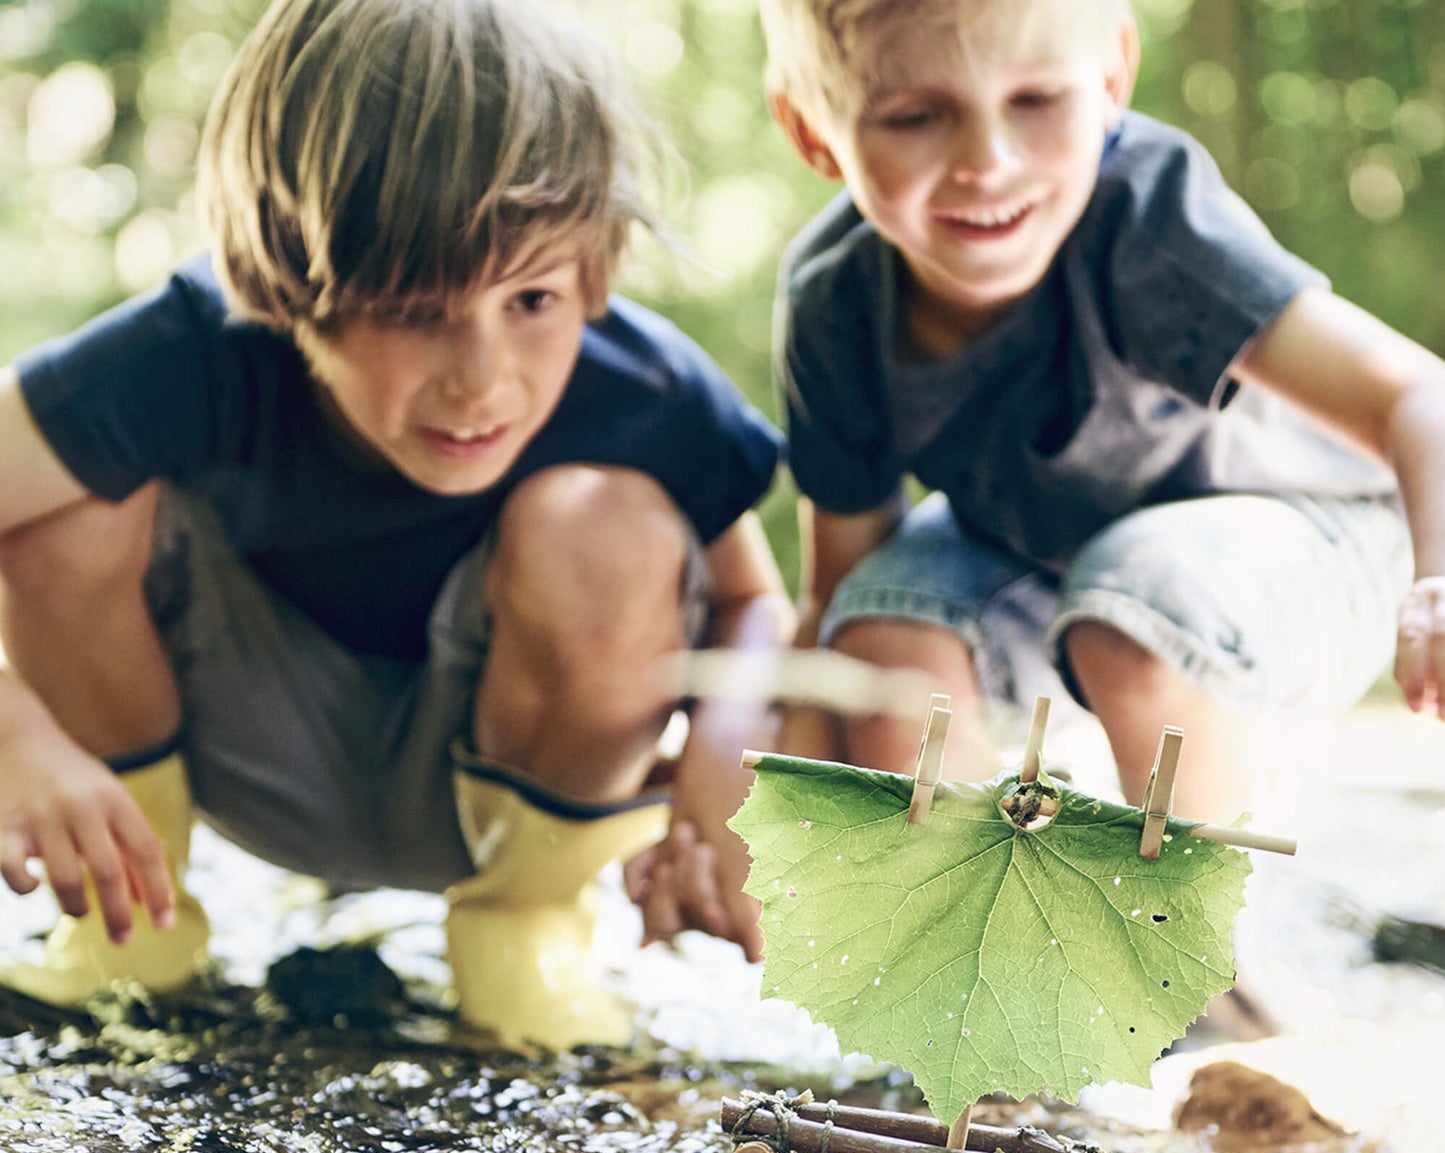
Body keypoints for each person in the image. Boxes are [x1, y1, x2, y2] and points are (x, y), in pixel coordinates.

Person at [0, 0, 792, 1051]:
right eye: (415, 311)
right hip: (236, 752)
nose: (481, 381)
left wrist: (728, 759)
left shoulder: (645, 388)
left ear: (594, 268)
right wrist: (16, 735)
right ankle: (129, 924)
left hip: (504, 788)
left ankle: (524, 931)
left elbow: (752, 600)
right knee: (61, 502)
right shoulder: (188, 347)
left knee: (607, 523)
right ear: (286, 275)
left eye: (531, 300)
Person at [758, 0, 1445, 1036]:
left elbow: (1414, 395)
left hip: (1321, 541)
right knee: (881, 630)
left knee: (1132, 600)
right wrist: (771, 806)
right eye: (913, 116)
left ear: (1112, 77)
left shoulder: (1144, 215)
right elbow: (833, 599)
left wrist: (1434, 583)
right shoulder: (834, 300)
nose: (985, 161)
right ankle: (982, 994)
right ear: (813, 132)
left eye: (1033, 99)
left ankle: (1201, 985)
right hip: (1053, 557)